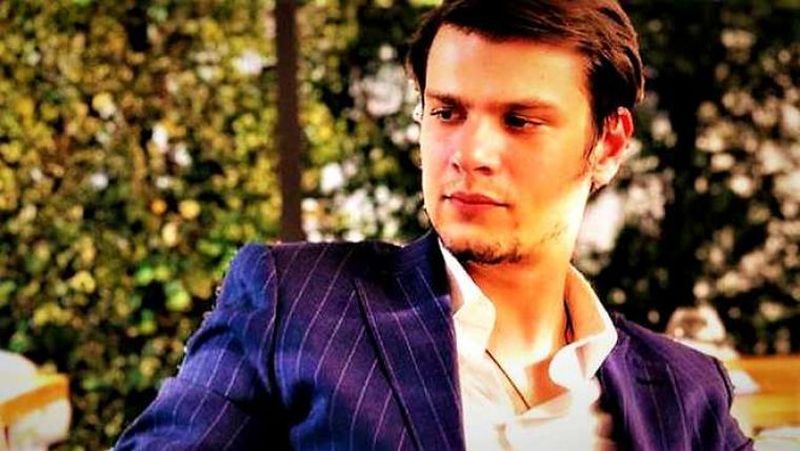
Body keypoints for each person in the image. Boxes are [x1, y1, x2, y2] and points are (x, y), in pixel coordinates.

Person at [117, 0, 753, 449]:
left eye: (520, 121)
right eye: (447, 113)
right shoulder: (297, 304)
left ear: (608, 144)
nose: (470, 153)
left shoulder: (686, 392)